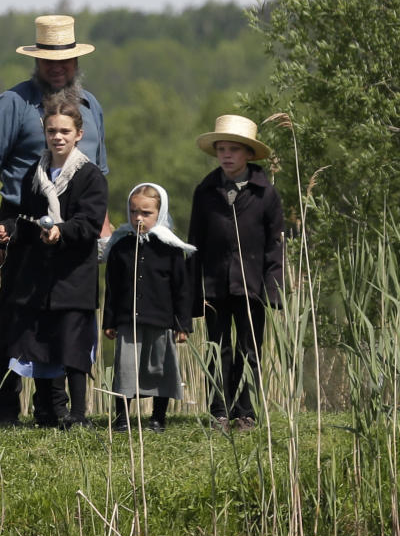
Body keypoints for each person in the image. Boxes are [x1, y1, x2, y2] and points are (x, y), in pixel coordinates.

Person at [0, 14, 108, 426]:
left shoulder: (91, 107)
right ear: (37, 59)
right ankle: (5, 411)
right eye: (49, 58)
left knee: (63, 320)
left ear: (76, 61)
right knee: (17, 320)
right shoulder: (13, 103)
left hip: (74, 233)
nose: (57, 66)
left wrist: (102, 230)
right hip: (23, 225)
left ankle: (53, 411)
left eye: (65, 59)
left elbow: (98, 172)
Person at [0, 100, 107, 429]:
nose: (58, 137)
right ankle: (47, 413)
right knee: (42, 344)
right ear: (44, 132)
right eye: (52, 130)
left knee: (73, 346)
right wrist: (6, 231)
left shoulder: (90, 176)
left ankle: (79, 415)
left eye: (65, 131)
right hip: (39, 276)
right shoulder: (34, 174)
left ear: (79, 134)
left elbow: (89, 224)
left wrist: (61, 231)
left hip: (74, 277)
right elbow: (22, 219)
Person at [188, 115, 284, 431]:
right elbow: (194, 243)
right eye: (221, 150)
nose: (226, 156)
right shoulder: (205, 190)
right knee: (217, 349)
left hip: (251, 284)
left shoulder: (265, 193)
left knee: (249, 350)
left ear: (248, 154)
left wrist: (273, 288)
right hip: (215, 285)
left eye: (233, 150)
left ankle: (247, 411)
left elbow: (274, 245)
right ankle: (219, 410)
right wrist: (193, 291)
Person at [102, 183, 195, 433]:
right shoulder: (120, 248)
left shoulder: (171, 249)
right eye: (133, 212)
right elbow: (112, 287)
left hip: (162, 320)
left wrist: (183, 324)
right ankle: (122, 418)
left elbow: (182, 290)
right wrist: (109, 320)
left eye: (146, 213)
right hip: (127, 321)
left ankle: (158, 418)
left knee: (160, 368)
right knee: (125, 370)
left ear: (160, 213)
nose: (138, 218)